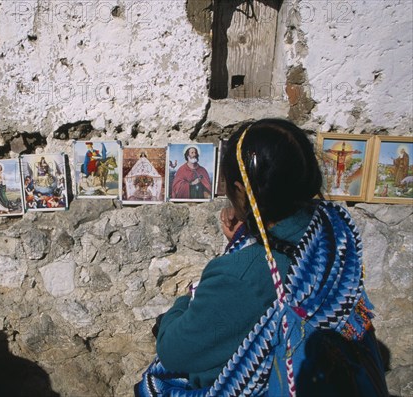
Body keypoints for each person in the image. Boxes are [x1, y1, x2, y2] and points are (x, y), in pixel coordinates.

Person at [138, 119, 387, 396]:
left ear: (242, 191)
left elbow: (175, 352)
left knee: (152, 386)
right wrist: (247, 232)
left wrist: (185, 300)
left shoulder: (242, 275)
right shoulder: (332, 229)